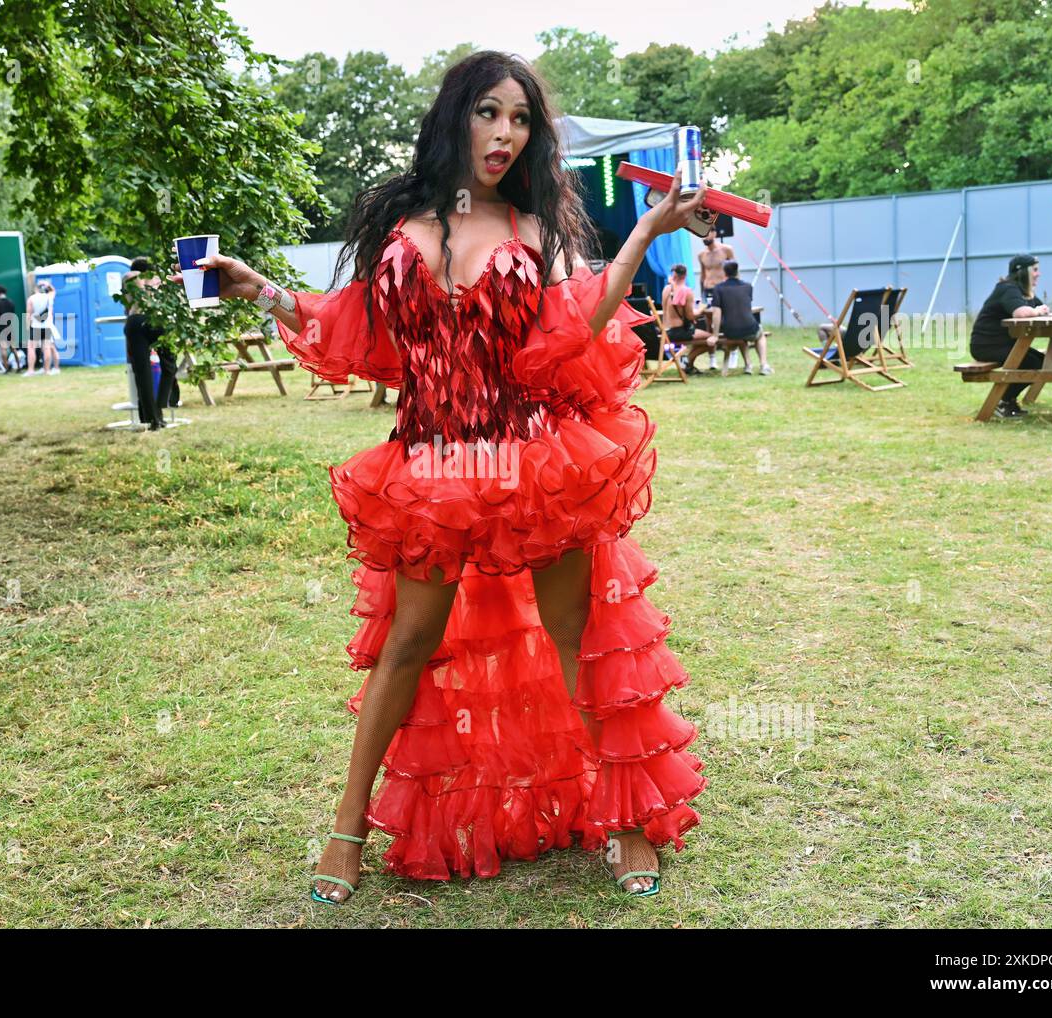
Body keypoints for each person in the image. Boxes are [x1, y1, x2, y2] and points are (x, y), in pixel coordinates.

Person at [185, 51, 709, 903]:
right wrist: (263, 291)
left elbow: (571, 330)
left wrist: (647, 233)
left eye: (521, 120)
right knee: (407, 644)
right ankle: (348, 829)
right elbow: (359, 332)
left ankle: (620, 822)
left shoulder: (534, 228)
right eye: (488, 113)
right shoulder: (403, 223)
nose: (504, 134)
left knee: (575, 636)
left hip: (531, 459)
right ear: (455, 116)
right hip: (430, 461)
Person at [968, 254, 1052, 419]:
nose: (1039, 274)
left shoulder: (1023, 291)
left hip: (1003, 345)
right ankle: (1001, 402)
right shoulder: (1007, 288)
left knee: (1042, 362)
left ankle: (1006, 400)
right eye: (1035, 270)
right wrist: (1037, 311)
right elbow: (1021, 313)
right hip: (987, 346)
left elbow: (1041, 307)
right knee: (1031, 362)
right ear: (1024, 272)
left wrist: (1040, 309)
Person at [121, 257, 174, 430]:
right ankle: (160, 406)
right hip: (159, 320)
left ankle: (152, 419)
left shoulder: (128, 277)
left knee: (142, 372)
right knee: (169, 366)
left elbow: (127, 305)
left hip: (136, 321)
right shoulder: (158, 277)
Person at [709, 259, 772, 375]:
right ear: (737, 271)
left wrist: (715, 335)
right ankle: (763, 365)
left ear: (724, 273)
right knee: (760, 335)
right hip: (749, 326)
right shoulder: (748, 287)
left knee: (740, 335)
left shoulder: (718, 289)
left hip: (730, 330)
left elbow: (716, 313)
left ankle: (748, 365)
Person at [660, 263, 714, 374]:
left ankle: (688, 365)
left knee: (699, 337)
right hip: (678, 332)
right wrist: (701, 309)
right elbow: (691, 316)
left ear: (673, 275)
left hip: (665, 330)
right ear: (685, 276)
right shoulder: (686, 291)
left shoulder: (666, 289)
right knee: (711, 339)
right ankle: (686, 363)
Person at [697, 233, 736, 370]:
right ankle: (712, 358)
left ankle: (733, 352)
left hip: (723, 289)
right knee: (709, 323)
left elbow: (735, 270)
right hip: (708, 289)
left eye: (707, 234)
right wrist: (702, 295)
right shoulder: (701, 254)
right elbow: (702, 275)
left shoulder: (726, 250)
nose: (704, 238)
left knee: (727, 320)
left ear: (714, 233)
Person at [25, 281, 59, 376]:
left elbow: (28, 313)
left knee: (31, 348)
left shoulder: (31, 298)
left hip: (36, 326)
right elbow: (53, 290)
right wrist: (47, 284)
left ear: (36, 289)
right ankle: (47, 370)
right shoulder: (49, 297)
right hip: (47, 325)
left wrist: (27, 326)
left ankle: (31, 370)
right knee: (47, 348)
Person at [0, 285, 22, 372]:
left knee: (3, 349)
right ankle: (19, 366)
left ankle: (6, 368)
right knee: (13, 348)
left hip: (0, 328)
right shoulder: (11, 302)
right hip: (10, 327)